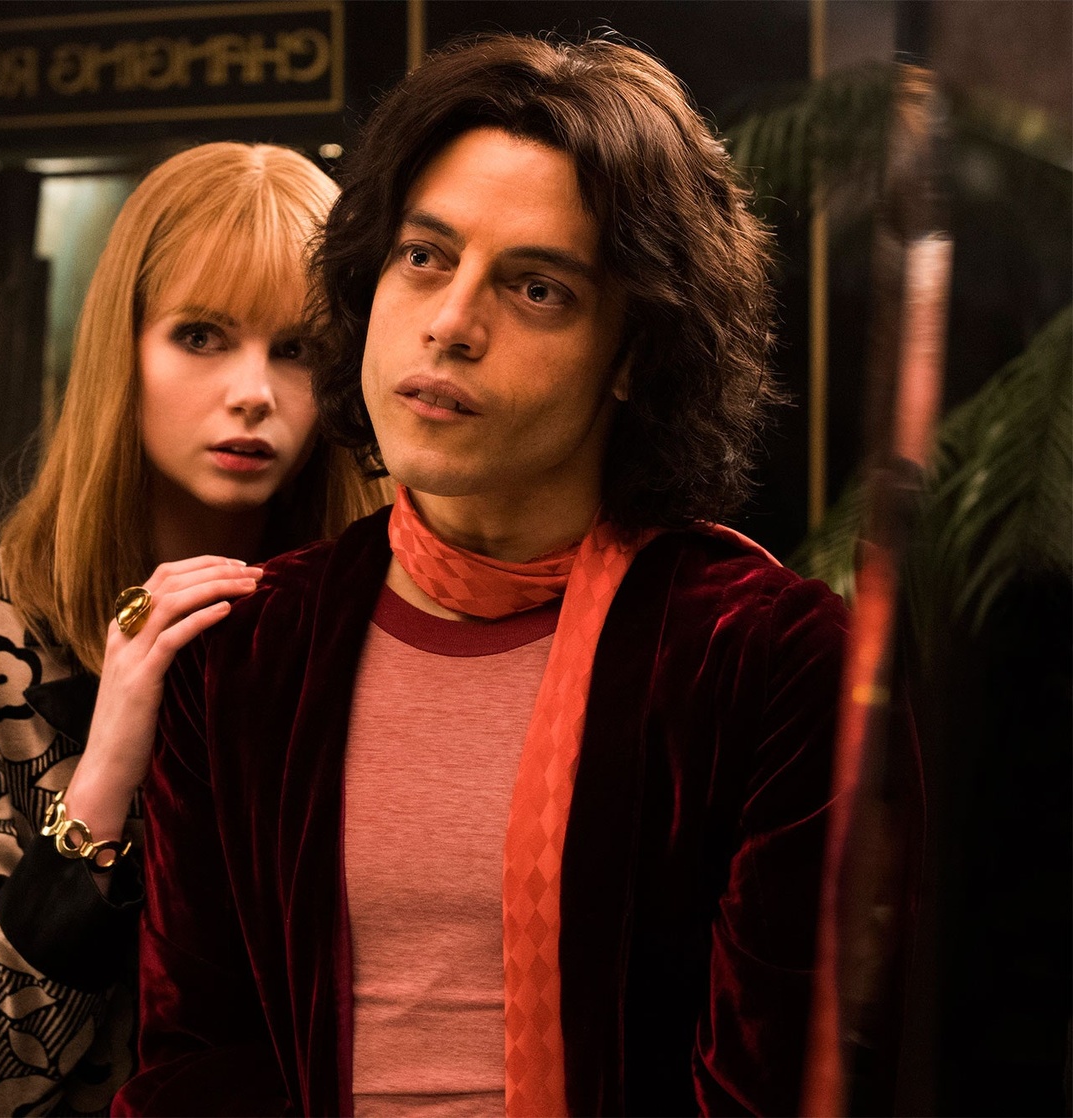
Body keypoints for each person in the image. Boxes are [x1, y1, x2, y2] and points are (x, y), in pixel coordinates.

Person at [115, 35, 914, 1117]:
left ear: (634, 353)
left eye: (536, 288)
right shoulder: (250, 650)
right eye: (424, 256)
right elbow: (194, 1063)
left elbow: (786, 1085)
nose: (450, 323)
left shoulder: (766, 659)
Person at [0, 142, 384, 1116]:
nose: (253, 390)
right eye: (202, 335)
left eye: (298, 349)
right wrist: (107, 767)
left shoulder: (378, 612)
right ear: (125, 346)